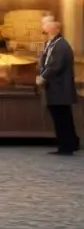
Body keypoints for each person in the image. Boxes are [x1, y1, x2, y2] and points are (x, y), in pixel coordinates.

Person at [38, 15, 79, 156]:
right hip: (55, 87)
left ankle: (66, 146)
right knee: (62, 116)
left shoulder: (61, 45)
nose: (43, 26)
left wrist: (42, 77)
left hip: (60, 87)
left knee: (62, 117)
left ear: (55, 25)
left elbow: (55, 65)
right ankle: (71, 142)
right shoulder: (51, 43)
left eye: (45, 23)